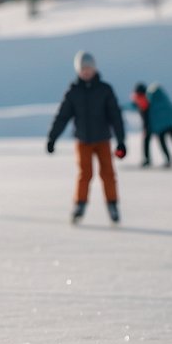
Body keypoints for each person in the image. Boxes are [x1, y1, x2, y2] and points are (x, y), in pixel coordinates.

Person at [46, 51, 126, 224]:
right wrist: (52, 138)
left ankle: (112, 204)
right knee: (85, 174)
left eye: (89, 67)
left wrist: (121, 141)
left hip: (103, 140)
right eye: (83, 68)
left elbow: (115, 116)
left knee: (108, 174)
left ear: (94, 68)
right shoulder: (73, 91)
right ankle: (80, 204)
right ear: (78, 70)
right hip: (83, 141)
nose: (86, 71)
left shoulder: (105, 89)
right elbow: (63, 116)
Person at [132, 82, 172, 168]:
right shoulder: (159, 98)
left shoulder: (147, 100)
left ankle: (167, 160)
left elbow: (149, 115)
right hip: (170, 123)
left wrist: (148, 128)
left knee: (163, 141)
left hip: (161, 125)